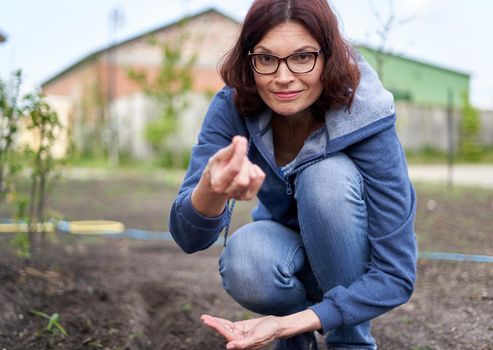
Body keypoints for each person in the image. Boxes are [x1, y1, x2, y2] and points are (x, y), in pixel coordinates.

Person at [169, 0, 417, 348]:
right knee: (247, 259)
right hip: (287, 255)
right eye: (267, 59)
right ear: (249, 58)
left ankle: (349, 339)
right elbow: (188, 238)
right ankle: (298, 341)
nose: (283, 78)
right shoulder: (233, 106)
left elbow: (396, 275)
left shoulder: (366, 116)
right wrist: (211, 188)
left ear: (327, 56)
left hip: (352, 260)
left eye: (302, 57)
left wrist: (282, 326)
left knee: (324, 176)